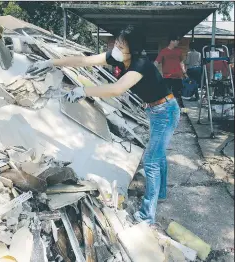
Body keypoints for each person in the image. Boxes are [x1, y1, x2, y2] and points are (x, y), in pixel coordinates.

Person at [26, 25, 180, 225]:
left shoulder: (140, 65)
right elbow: (83, 60)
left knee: (151, 158)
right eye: (117, 42)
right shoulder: (117, 57)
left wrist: (84, 91)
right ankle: (161, 193)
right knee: (157, 154)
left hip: (165, 111)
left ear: (132, 49)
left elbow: (117, 89)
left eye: (121, 45)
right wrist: (51, 62)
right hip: (154, 109)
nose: (116, 47)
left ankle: (146, 216)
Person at [154, 33, 188, 107]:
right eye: (177, 40)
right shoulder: (164, 51)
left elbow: (181, 62)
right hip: (167, 77)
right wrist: (151, 70)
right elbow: (157, 62)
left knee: (178, 95)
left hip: (178, 77)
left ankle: (179, 109)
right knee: (166, 95)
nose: (178, 42)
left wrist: (184, 72)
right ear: (172, 41)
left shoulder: (179, 51)